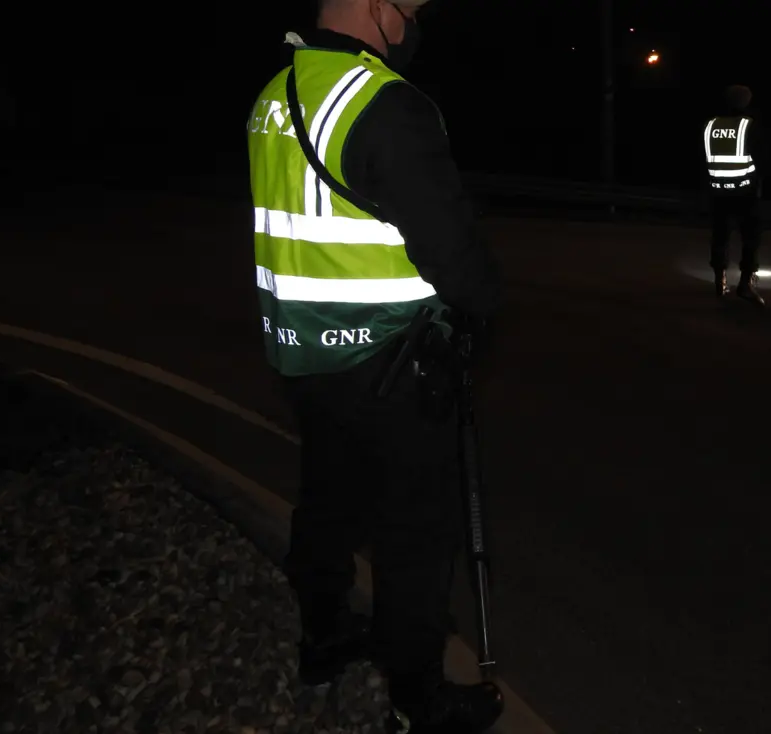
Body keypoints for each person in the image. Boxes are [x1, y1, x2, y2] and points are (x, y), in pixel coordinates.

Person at [245, 0, 504, 731]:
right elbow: (458, 264)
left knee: (329, 497)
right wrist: (484, 303)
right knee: (415, 531)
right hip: (389, 360)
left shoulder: (276, 93)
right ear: (372, 7)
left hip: (302, 355)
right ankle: (416, 696)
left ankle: (322, 637)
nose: (414, 23)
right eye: (407, 9)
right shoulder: (386, 104)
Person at [703, 84, 770, 306]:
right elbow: (761, 158)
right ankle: (745, 284)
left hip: (717, 191)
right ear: (746, 102)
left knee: (720, 235)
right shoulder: (748, 125)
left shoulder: (710, 125)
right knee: (751, 238)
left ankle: (719, 281)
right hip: (745, 192)